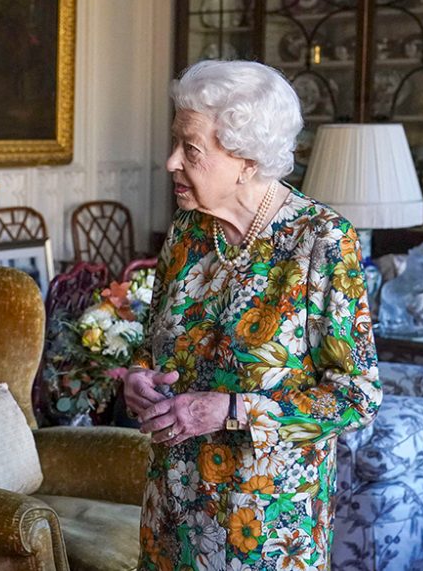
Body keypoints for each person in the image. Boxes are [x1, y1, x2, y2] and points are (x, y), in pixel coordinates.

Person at [125, 60, 382, 570]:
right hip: (172, 510)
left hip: (267, 525)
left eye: (191, 149)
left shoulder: (320, 242)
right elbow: (153, 342)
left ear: (246, 159)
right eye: (176, 142)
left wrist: (234, 410)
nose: (172, 161)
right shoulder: (188, 233)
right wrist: (137, 375)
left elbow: (357, 397)